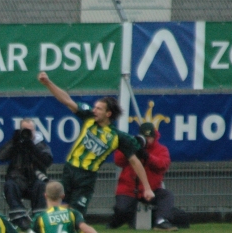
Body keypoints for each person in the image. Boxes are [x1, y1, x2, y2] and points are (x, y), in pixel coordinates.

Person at [37, 71, 155, 218]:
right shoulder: (89, 118)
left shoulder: (117, 137)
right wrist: (48, 83)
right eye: (95, 107)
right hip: (69, 170)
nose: (94, 110)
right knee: (60, 211)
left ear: (108, 114)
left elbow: (135, 161)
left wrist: (147, 188)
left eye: (99, 108)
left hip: (86, 177)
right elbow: (67, 100)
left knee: (76, 216)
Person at [108, 122, 179, 231]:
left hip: (151, 189)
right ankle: (117, 221)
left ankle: (161, 220)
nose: (147, 139)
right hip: (129, 189)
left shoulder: (161, 149)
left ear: (154, 137)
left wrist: (147, 156)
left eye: (149, 137)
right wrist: (131, 149)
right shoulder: (132, 145)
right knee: (122, 210)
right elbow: (118, 161)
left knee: (166, 195)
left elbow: (162, 165)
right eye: (145, 137)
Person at [0, 118, 53, 231]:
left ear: (35, 130)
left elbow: (47, 161)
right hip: (18, 182)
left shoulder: (41, 145)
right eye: (25, 130)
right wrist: (14, 142)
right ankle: (20, 217)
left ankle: (38, 219)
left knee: (41, 185)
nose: (28, 133)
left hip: (35, 182)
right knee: (9, 185)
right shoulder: (16, 143)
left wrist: (31, 147)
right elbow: (1, 156)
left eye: (30, 130)